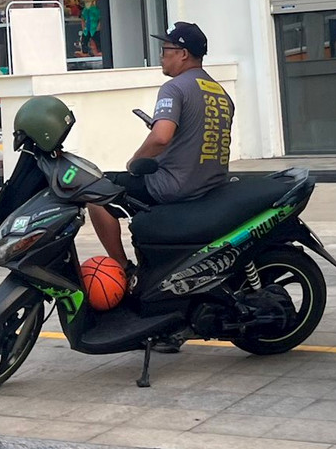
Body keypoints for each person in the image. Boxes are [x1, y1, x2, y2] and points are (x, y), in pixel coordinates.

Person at [89, 22, 234, 281]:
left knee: (95, 191)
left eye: (165, 49)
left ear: (183, 53)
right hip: (211, 186)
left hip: (174, 186)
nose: (161, 56)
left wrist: (135, 161)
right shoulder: (221, 93)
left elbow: (161, 137)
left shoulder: (175, 87)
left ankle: (124, 269)